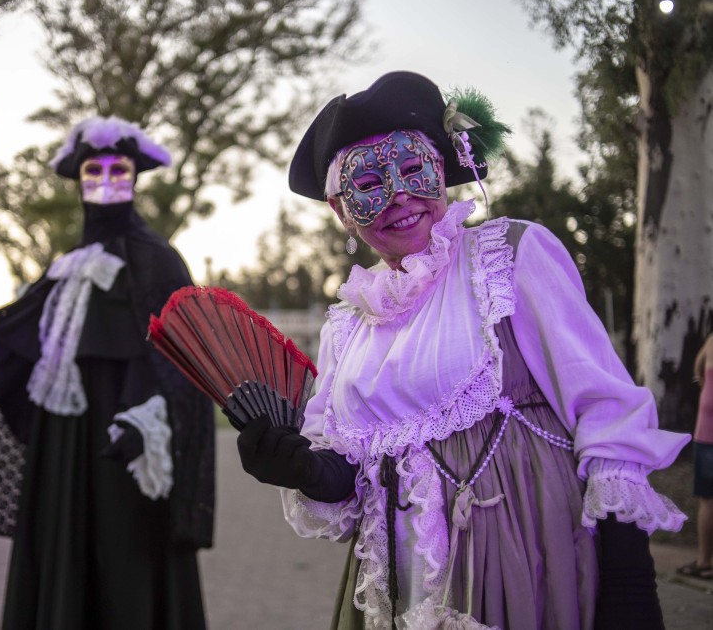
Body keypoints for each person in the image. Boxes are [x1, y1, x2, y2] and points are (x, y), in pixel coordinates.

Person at [234, 72, 690, 629]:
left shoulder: (510, 257)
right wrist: (302, 466)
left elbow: (604, 408)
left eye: (412, 169)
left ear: (444, 170)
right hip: (400, 583)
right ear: (341, 210)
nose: (399, 195)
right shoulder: (347, 324)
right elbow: (350, 474)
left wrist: (630, 585)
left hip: (525, 556)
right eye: (370, 183)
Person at [0, 116, 215, 629]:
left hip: (125, 452)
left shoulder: (160, 262)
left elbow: (184, 363)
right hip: (62, 452)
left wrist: (148, 424)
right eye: (93, 168)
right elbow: (18, 336)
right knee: (65, 557)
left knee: (125, 565)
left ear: (134, 175)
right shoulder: (65, 268)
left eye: (119, 167)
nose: (106, 177)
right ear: (79, 178)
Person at [678, 333, 713, 580]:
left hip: (707, 431)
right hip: (707, 433)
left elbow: (698, 371)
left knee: (708, 500)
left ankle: (704, 561)